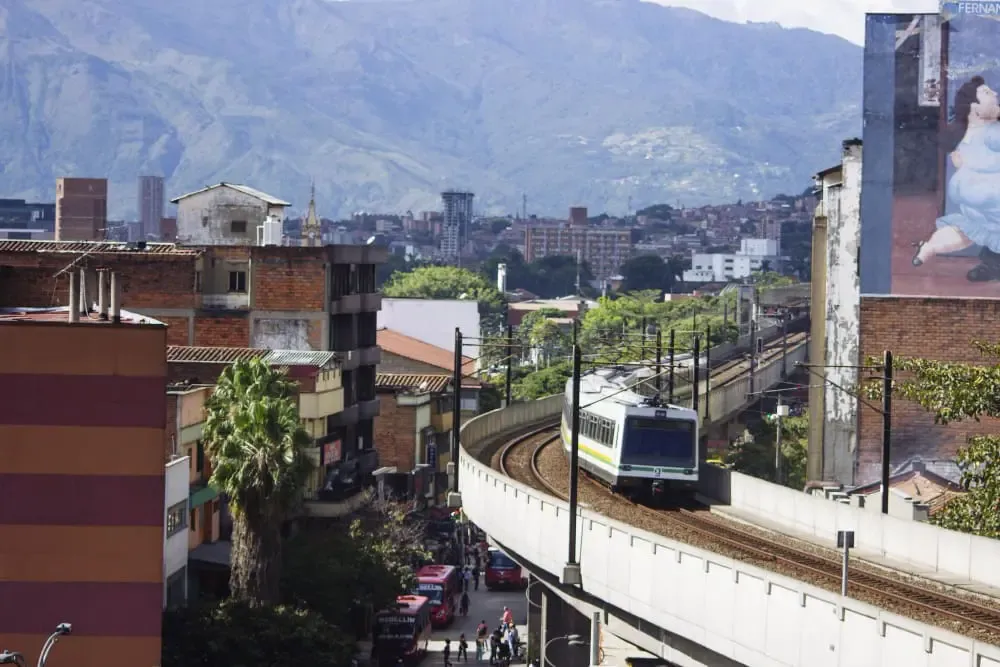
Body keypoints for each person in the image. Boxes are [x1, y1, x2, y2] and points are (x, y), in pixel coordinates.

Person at [912, 75, 1000, 281]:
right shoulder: (991, 132)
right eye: (988, 93)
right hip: (990, 191)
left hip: (967, 189)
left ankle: (930, 247)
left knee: (968, 229)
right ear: (975, 109)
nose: (996, 94)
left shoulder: (965, 135)